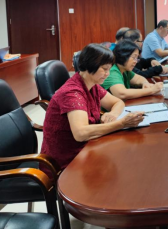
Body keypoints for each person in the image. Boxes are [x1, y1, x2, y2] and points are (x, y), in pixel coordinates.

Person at [41, 44, 145, 174]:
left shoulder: (92, 84)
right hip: (67, 162)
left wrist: (112, 114)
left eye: (109, 69)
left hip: (87, 147)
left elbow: (118, 102)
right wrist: (122, 123)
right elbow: (81, 133)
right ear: (90, 65)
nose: (107, 74)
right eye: (104, 69)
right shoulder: (72, 93)